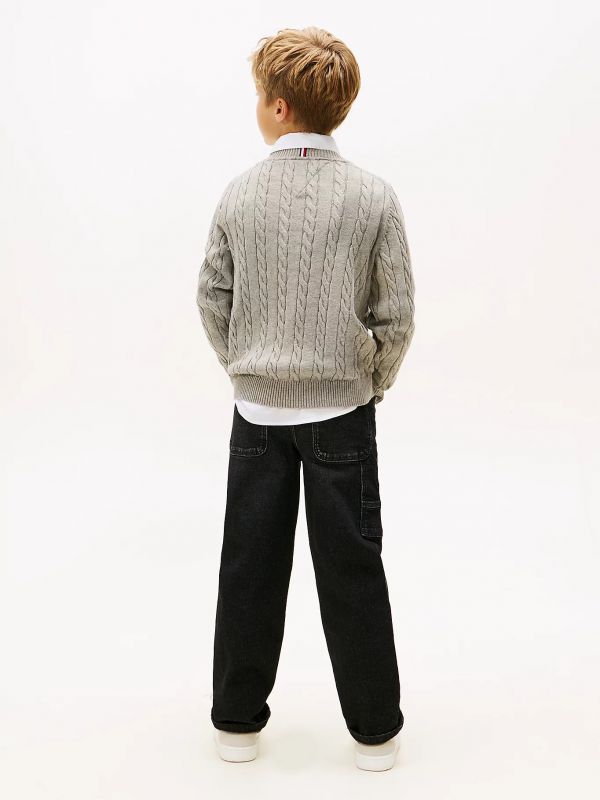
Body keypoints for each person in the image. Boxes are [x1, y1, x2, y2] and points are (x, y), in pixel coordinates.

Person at [196, 26, 416, 772]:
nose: (258, 107)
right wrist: (368, 382)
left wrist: (246, 370)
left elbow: (212, 296)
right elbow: (396, 314)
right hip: (341, 416)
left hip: (256, 418)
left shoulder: (240, 193)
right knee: (353, 569)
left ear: (280, 107)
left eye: (260, 96)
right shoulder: (372, 196)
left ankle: (236, 725)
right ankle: (376, 733)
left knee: (249, 568)